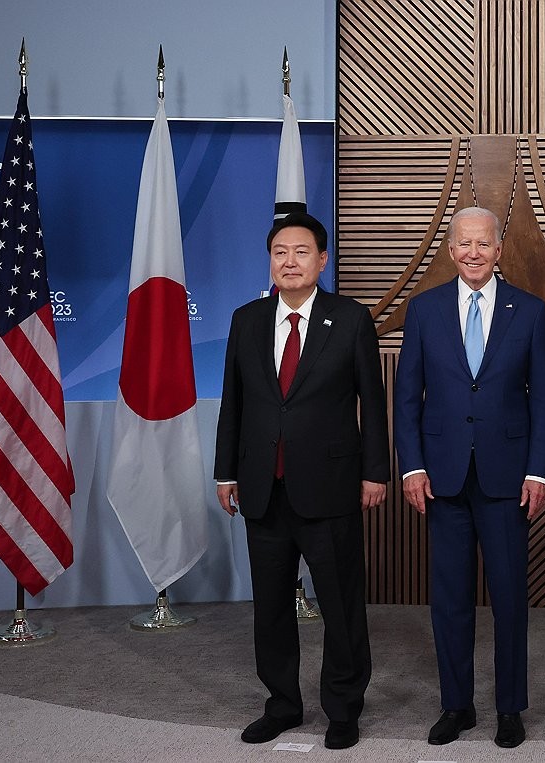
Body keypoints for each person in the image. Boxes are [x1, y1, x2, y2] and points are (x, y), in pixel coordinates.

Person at [214, 211, 389, 751]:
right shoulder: (246, 319)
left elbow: (373, 404)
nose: (290, 261)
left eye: (301, 252)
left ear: (322, 259)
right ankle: (283, 704)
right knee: (270, 606)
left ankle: (342, 707)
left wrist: (375, 473)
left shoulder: (351, 318)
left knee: (339, 604)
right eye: (280, 252)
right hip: (263, 487)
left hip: (331, 485)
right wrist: (225, 472)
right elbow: (234, 404)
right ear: (270, 260)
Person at [394, 206, 545, 749]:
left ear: (498, 249)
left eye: (482, 244)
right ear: (450, 250)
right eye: (463, 244)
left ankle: (510, 708)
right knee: (450, 599)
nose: (472, 253)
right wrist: (412, 466)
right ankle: (456, 705)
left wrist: (539, 470)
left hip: (508, 479)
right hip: (441, 477)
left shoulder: (529, 311)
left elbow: (542, 401)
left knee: (509, 596)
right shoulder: (424, 310)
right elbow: (406, 399)